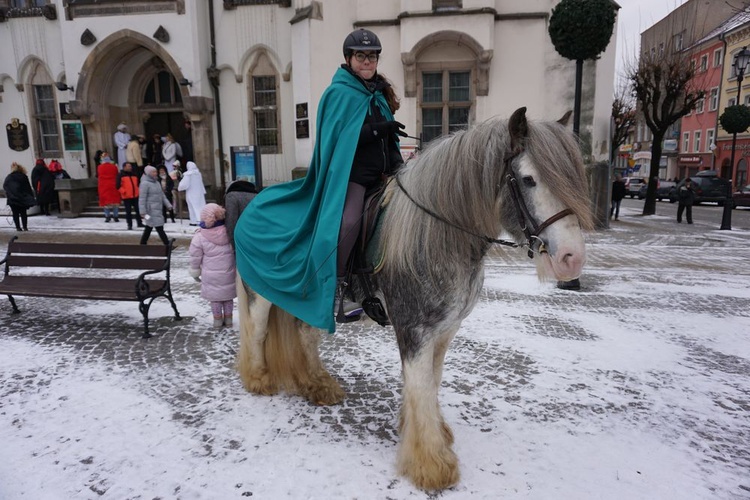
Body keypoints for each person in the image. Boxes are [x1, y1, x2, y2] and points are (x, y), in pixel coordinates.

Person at [234, 28, 406, 332]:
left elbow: (387, 143)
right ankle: (337, 287)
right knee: (349, 221)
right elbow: (336, 140)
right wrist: (377, 129)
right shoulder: (338, 93)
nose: (368, 61)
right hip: (352, 180)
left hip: (383, 177)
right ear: (349, 58)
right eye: (362, 56)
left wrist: (399, 163)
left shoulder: (377, 94)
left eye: (373, 56)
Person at [188, 203, 237, 328]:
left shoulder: (200, 236)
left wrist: (195, 270)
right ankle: (229, 319)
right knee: (227, 297)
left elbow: (195, 256)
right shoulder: (229, 232)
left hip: (211, 276)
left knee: (215, 299)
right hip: (228, 273)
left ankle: (217, 321)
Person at [138, 165, 173, 245]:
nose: (155, 173)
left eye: (155, 172)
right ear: (148, 173)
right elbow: (142, 198)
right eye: (153, 172)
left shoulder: (157, 182)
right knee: (158, 226)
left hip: (157, 209)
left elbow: (162, 195)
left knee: (149, 227)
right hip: (150, 210)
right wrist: (142, 211)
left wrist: (168, 205)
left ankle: (143, 242)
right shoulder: (144, 184)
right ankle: (166, 243)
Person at [224, 180, 257, 250]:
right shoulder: (256, 195)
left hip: (241, 238)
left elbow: (231, 221)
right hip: (256, 237)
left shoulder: (231, 196)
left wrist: (233, 245)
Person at [3, 162, 36, 231]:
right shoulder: (23, 177)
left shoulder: (9, 177)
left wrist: (10, 195)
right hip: (22, 198)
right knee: (23, 213)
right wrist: (30, 197)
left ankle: (18, 227)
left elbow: (5, 187)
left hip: (12, 199)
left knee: (15, 214)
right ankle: (25, 227)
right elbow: (28, 188)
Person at [178, 161, 207, 226]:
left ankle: (195, 221)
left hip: (191, 193)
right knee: (200, 206)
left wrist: (180, 187)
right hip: (199, 193)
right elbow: (201, 184)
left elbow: (184, 184)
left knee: (192, 207)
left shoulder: (188, 174)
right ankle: (199, 220)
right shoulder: (198, 174)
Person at [117, 162, 143, 230]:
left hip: (135, 195)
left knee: (138, 210)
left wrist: (138, 191)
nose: (130, 167)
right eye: (128, 166)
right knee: (128, 211)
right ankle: (129, 224)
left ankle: (139, 223)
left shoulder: (134, 174)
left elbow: (138, 184)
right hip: (127, 196)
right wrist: (124, 192)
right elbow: (118, 186)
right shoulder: (120, 175)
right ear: (124, 167)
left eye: (130, 166)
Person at [97, 153, 121, 223]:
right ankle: (116, 216)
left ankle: (107, 216)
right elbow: (117, 174)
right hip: (113, 185)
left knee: (105, 202)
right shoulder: (114, 167)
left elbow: (98, 175)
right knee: (115, 201)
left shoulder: (99, 167)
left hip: (103, 185)